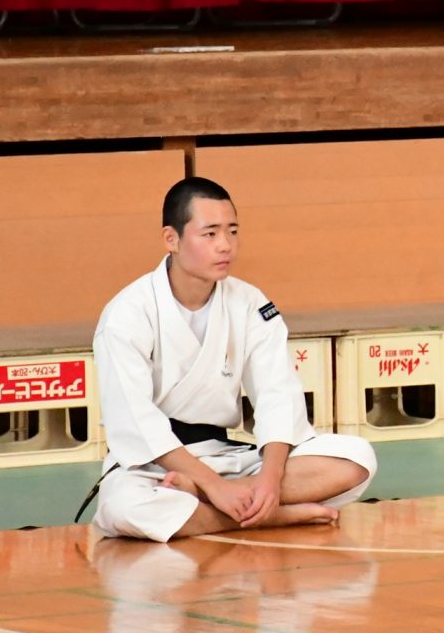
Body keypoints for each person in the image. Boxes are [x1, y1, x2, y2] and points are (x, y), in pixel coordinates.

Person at [89, 177, 377, 541]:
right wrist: (214, 487)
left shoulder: (250, 303)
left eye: (233, 231)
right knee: (125, 508)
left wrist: (269, 481)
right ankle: (272, 517)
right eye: (210, 233)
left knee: (356, 458)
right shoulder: (127, 313)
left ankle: (223, 502)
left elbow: (277, 395)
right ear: (171, 239)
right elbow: (133, 418)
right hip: (155, 466)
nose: (225, 245)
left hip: (229, 459)